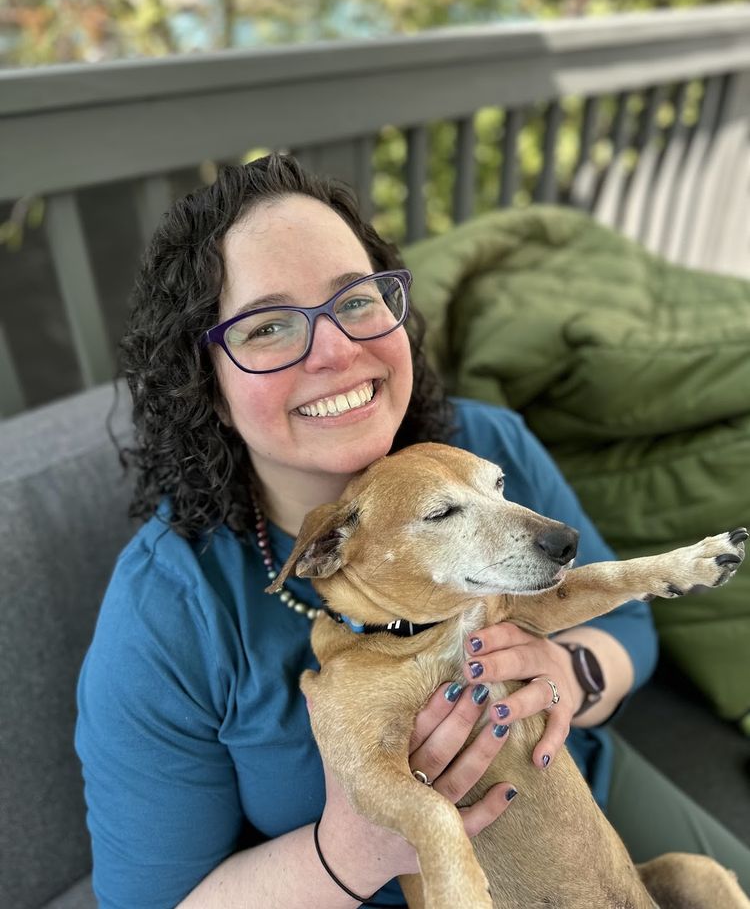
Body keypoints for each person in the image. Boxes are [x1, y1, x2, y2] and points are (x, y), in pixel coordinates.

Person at [75, 152, 750, 909]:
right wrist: (353, 853)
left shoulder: (485, 446)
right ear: (207, 387)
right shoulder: (167, 608)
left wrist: (574, 676)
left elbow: (630, 629)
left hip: (586, 802)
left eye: (356, 300)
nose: (334, 350)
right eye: (268, 326)